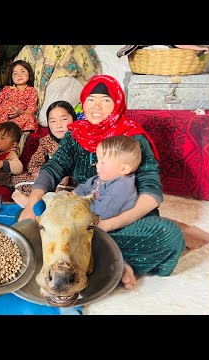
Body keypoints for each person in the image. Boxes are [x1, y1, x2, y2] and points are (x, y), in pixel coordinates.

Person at [18, 74, 186, 290]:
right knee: (30, 219)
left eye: (105, 100)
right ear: (83, 103)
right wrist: (32, 205)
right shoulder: (76, 134)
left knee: (168, 234)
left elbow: (151, 195)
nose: (96, 106)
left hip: (125, 220)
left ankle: (119, 262)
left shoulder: (133, 138)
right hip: (82, 217)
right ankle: (109, 260)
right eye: (90, 99)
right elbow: (53, 168)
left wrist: (106, 226)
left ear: (117, 103)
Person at [11, 100, 77, 208]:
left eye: (64, 119)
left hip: (72, 184)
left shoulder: (80, 140)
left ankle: (37, 204)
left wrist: (67, 178)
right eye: (52, 121)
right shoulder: (46, 141)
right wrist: (48, 178)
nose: (58, 125)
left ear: (74, 119)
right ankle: (37, 202)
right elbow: (33, 166)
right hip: (51, 180)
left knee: (64, 190)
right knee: (18, 179)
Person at [73, 135, 141, 220]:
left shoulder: (122, 187)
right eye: (98, 160)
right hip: (87, 209)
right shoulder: (102, 177)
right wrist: (74, 195)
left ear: (124, 169)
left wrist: (79, 203)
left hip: (106, 225)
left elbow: (102, 212)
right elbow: (84, 187)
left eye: (103, 162)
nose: (97, 165)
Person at [0, 60, 38, 132]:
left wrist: (20, 112)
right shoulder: (7, 89)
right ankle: (0, 127)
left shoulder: (31, 91)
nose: (19, 75)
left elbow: (31, 108)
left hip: (17, 117)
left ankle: (8, 128)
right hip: (1, 115)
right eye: (15, 73)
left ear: (29, 73)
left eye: (22, 71)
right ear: (11, 78)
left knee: (29, 118)